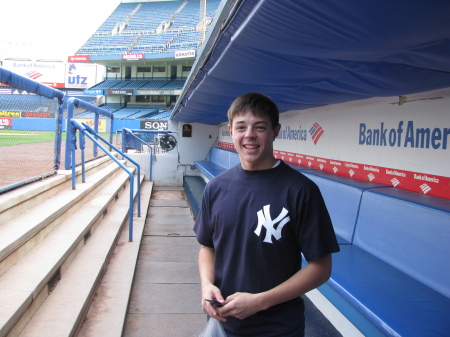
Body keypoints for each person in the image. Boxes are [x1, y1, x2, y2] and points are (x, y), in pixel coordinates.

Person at [194, 93, 340, 337]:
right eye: (241, 127)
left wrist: (260, 301)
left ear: (275, 131)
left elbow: (321, 267)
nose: (249, 134)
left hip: (278, 329)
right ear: (231, 131)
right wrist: (206, 286)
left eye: (259, 127)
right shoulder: (216, 188)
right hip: (223, 323)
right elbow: (207, 247)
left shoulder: (300, 190)